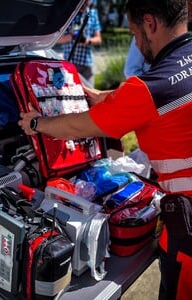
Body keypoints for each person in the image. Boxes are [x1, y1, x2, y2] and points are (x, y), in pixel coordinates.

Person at [19, 0, 192, 299]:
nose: (137, 42)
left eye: (135, 35)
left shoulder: (151, 90)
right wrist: (99, 96)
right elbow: (147, 96)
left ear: (150, 23)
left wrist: (36, 123)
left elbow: (80, 127)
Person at [57, 0, 102, 87]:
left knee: (90, 95)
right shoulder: (69, 14)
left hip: (86, 64)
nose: (84, 2)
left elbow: (99, 39)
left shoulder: (92, 14)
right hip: (70, 62)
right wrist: (72, 37)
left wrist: (87, 41)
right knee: (69, 94)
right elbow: (57, 39)